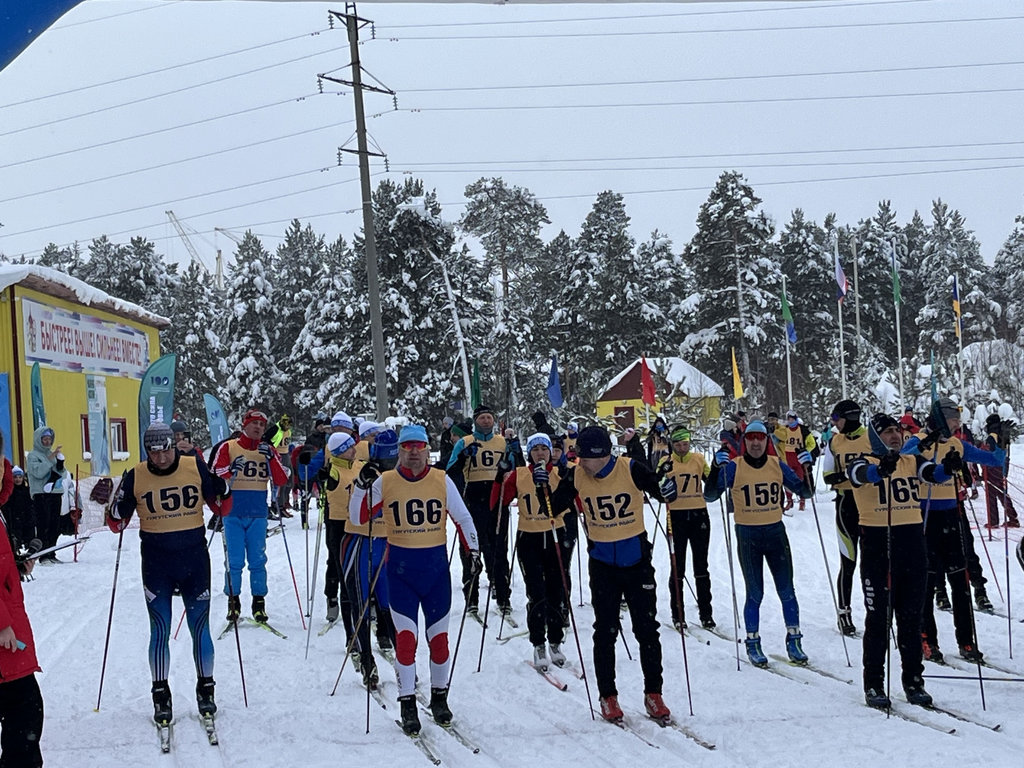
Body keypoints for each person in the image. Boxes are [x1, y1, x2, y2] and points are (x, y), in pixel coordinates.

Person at [355, 424, 481, 735]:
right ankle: (407, 702)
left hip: (435, 574)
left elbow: (463, 518)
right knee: (406, 640)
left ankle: (439, 697)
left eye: (419, 447)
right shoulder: (385, 481)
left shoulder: (441, 479)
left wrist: (474, 551)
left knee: (439, 641)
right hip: (401, 574)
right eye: (407, 447)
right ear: (399, 451)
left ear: (427, 450)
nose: (413, 452)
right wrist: (360, 485)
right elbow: (358, 516)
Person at [107, 422, 232, 727]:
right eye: (154, 453)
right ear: (146, 451)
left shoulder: (194, 466)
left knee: (199, 627)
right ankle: (160, 694)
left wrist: (223, 489)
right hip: (157, 563)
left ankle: (206, 689)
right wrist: (115, 509)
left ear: (174, 446)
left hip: (194, 561)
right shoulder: (136, 475)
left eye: (165, 451)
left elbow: (222, 509)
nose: (161, 458)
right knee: (160, 629)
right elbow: (116, 524)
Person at [547, 425, 671, 723]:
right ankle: (608, 696)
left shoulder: (630, 468)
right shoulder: (577, 475)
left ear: (600, 454)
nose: (580, 462)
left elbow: (660, 491)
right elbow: (552, 507)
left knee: (646, 629)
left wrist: (668, 488)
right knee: (605, 631)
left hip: (636, 560)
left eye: (584, 457)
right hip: (602, 564)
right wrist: (543, 486)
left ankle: (654, 693)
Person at [847, 413, 943, 710]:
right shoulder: (861, 460)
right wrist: (880, 469)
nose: (895, 436)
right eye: (887, 432)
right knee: (879, 620)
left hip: (911, 545)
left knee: (911, 620)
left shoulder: (910, 461)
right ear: (875, 437)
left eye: (897, 431)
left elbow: (932, 474)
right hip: (879, 547)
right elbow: (860, 475)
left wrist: (948, 468)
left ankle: (914, 681)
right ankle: (874, 682)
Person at [902, 397, 1006, 663]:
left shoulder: (956, 444)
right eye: (952, 420)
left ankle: (966, 641)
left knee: (960, 580)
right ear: (939, 419)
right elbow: (905, 456)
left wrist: (998, 442)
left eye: (958, 420)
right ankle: (927, 639)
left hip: (951, 514)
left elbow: (994, 460)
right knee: (927, 582)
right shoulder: (919, 440)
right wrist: (926, 443)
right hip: (924, 516)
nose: (957, 424)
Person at [704, 421, 814, 667]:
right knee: (755, 593)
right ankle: (753, 642)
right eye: (751, 438)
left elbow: (805, 492)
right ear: (745, 441)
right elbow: (710, 496)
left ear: (766, 441)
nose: (755, 443)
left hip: (775, 533)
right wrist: (715, 468)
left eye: (760, 438)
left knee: (787, 590)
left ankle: (794, 640)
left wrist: (807, 468)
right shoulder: (735, 466)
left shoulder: (776, 464)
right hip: (748, 535)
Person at [492, 433, 568, 670]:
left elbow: (577, 500)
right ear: (529, 453)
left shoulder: (560, 473)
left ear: (551, 452)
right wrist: (499, 478)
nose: (540, 453)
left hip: (556, 535)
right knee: (536, 592)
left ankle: (555, 641)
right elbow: (498, 502)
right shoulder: (520, 474)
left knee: (557, 591)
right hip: (529, 537)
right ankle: (538, 643)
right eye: (535, 450)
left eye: (544, 449)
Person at [211, 409, 289, 622]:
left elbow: (281, 479)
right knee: (234, 560)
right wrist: (231, 469)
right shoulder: (229, 446)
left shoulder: (268, 449)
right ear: (244, 425)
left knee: (257, 560)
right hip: (232, 512)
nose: (258, 427)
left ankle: (259, 602)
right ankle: (233, 601)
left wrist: (271, 458)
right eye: (254, 423)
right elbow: (215, 472)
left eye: (262, 425)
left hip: (257, 513)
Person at [447, 404, 513, 617]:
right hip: (473, 500)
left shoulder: (502, 442)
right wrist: (463, 456)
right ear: (475, 421)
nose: (486, 421)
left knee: (499, 550)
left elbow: (515, 469)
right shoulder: (465, 442)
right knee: (471, 549)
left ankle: (503, 597)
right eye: (482, 418)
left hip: (496, 501)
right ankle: (472, 598)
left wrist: (512, 462)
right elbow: (450, 472)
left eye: (489, 417)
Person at [0, 467, 44, 768]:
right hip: (5, 633)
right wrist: (2, 623)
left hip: (11, 622)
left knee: (25, 709)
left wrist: (14, 567)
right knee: (24, 709)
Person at [820, 399, 872, 637]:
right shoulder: (835, 441)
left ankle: (876, 611)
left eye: (836, 419)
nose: (835, 424)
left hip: (870, 504)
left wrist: (848, 475)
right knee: (848, 562)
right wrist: (855, 475)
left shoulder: (872, 438)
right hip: (846, 505)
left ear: (849, 417)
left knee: (872, 563)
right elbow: (828, 476)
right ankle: (844, 612)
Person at [658, 426, 715, 630]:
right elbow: (655, 484)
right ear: (672, 444)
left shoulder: (698, 459)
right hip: (676, 516)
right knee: (677, 567)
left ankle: (706, 614)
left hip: (699, 515)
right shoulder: (666, 461)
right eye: (678, 444)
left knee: (701, 566)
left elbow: (711, 482)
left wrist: (718, 469)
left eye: (685, 444)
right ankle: (678, 614)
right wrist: (661, 477)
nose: (682, 448)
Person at [25, 427, 65, 562]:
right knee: (44, 524)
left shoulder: (51, 454)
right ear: (39, 440)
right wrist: (50, 458)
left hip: (55, 492)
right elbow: (38, 473)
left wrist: (60, 463)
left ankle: (52, 552)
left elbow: (62, 473)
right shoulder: (33, 456)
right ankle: (43, 554)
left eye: (49, 439)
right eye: (45, 439)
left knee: (55, 524)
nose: (48, 442)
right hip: (41, 493)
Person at [980, 413, 1018, 528]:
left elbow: (989, 453)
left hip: (992, 468)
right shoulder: (1002, 433)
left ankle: (993, 521)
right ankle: (1013, 518)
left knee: (991, 495)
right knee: (1002, 493)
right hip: (1002, 467)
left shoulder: (992, 436)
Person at [777, 410, 819, 511]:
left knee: (800, 479)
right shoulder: (784, 429)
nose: (790, 421)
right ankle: (789, 500)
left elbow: (812, 443)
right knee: (787, 479)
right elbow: (778, 441)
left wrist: (805, 451)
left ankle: (802, 500)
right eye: (789, 419)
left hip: (799, 457)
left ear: (796, 419)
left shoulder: (803, 430)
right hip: (787, 457)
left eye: (792, 419)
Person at [3, 467, 34, 555]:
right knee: (16, 539)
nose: (18, 479)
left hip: (27, 518)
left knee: (29, 537)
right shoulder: (10, 492)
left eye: (20, 477)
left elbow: (31, 505)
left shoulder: (27, 490)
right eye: (15, 477)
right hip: (14, 520)